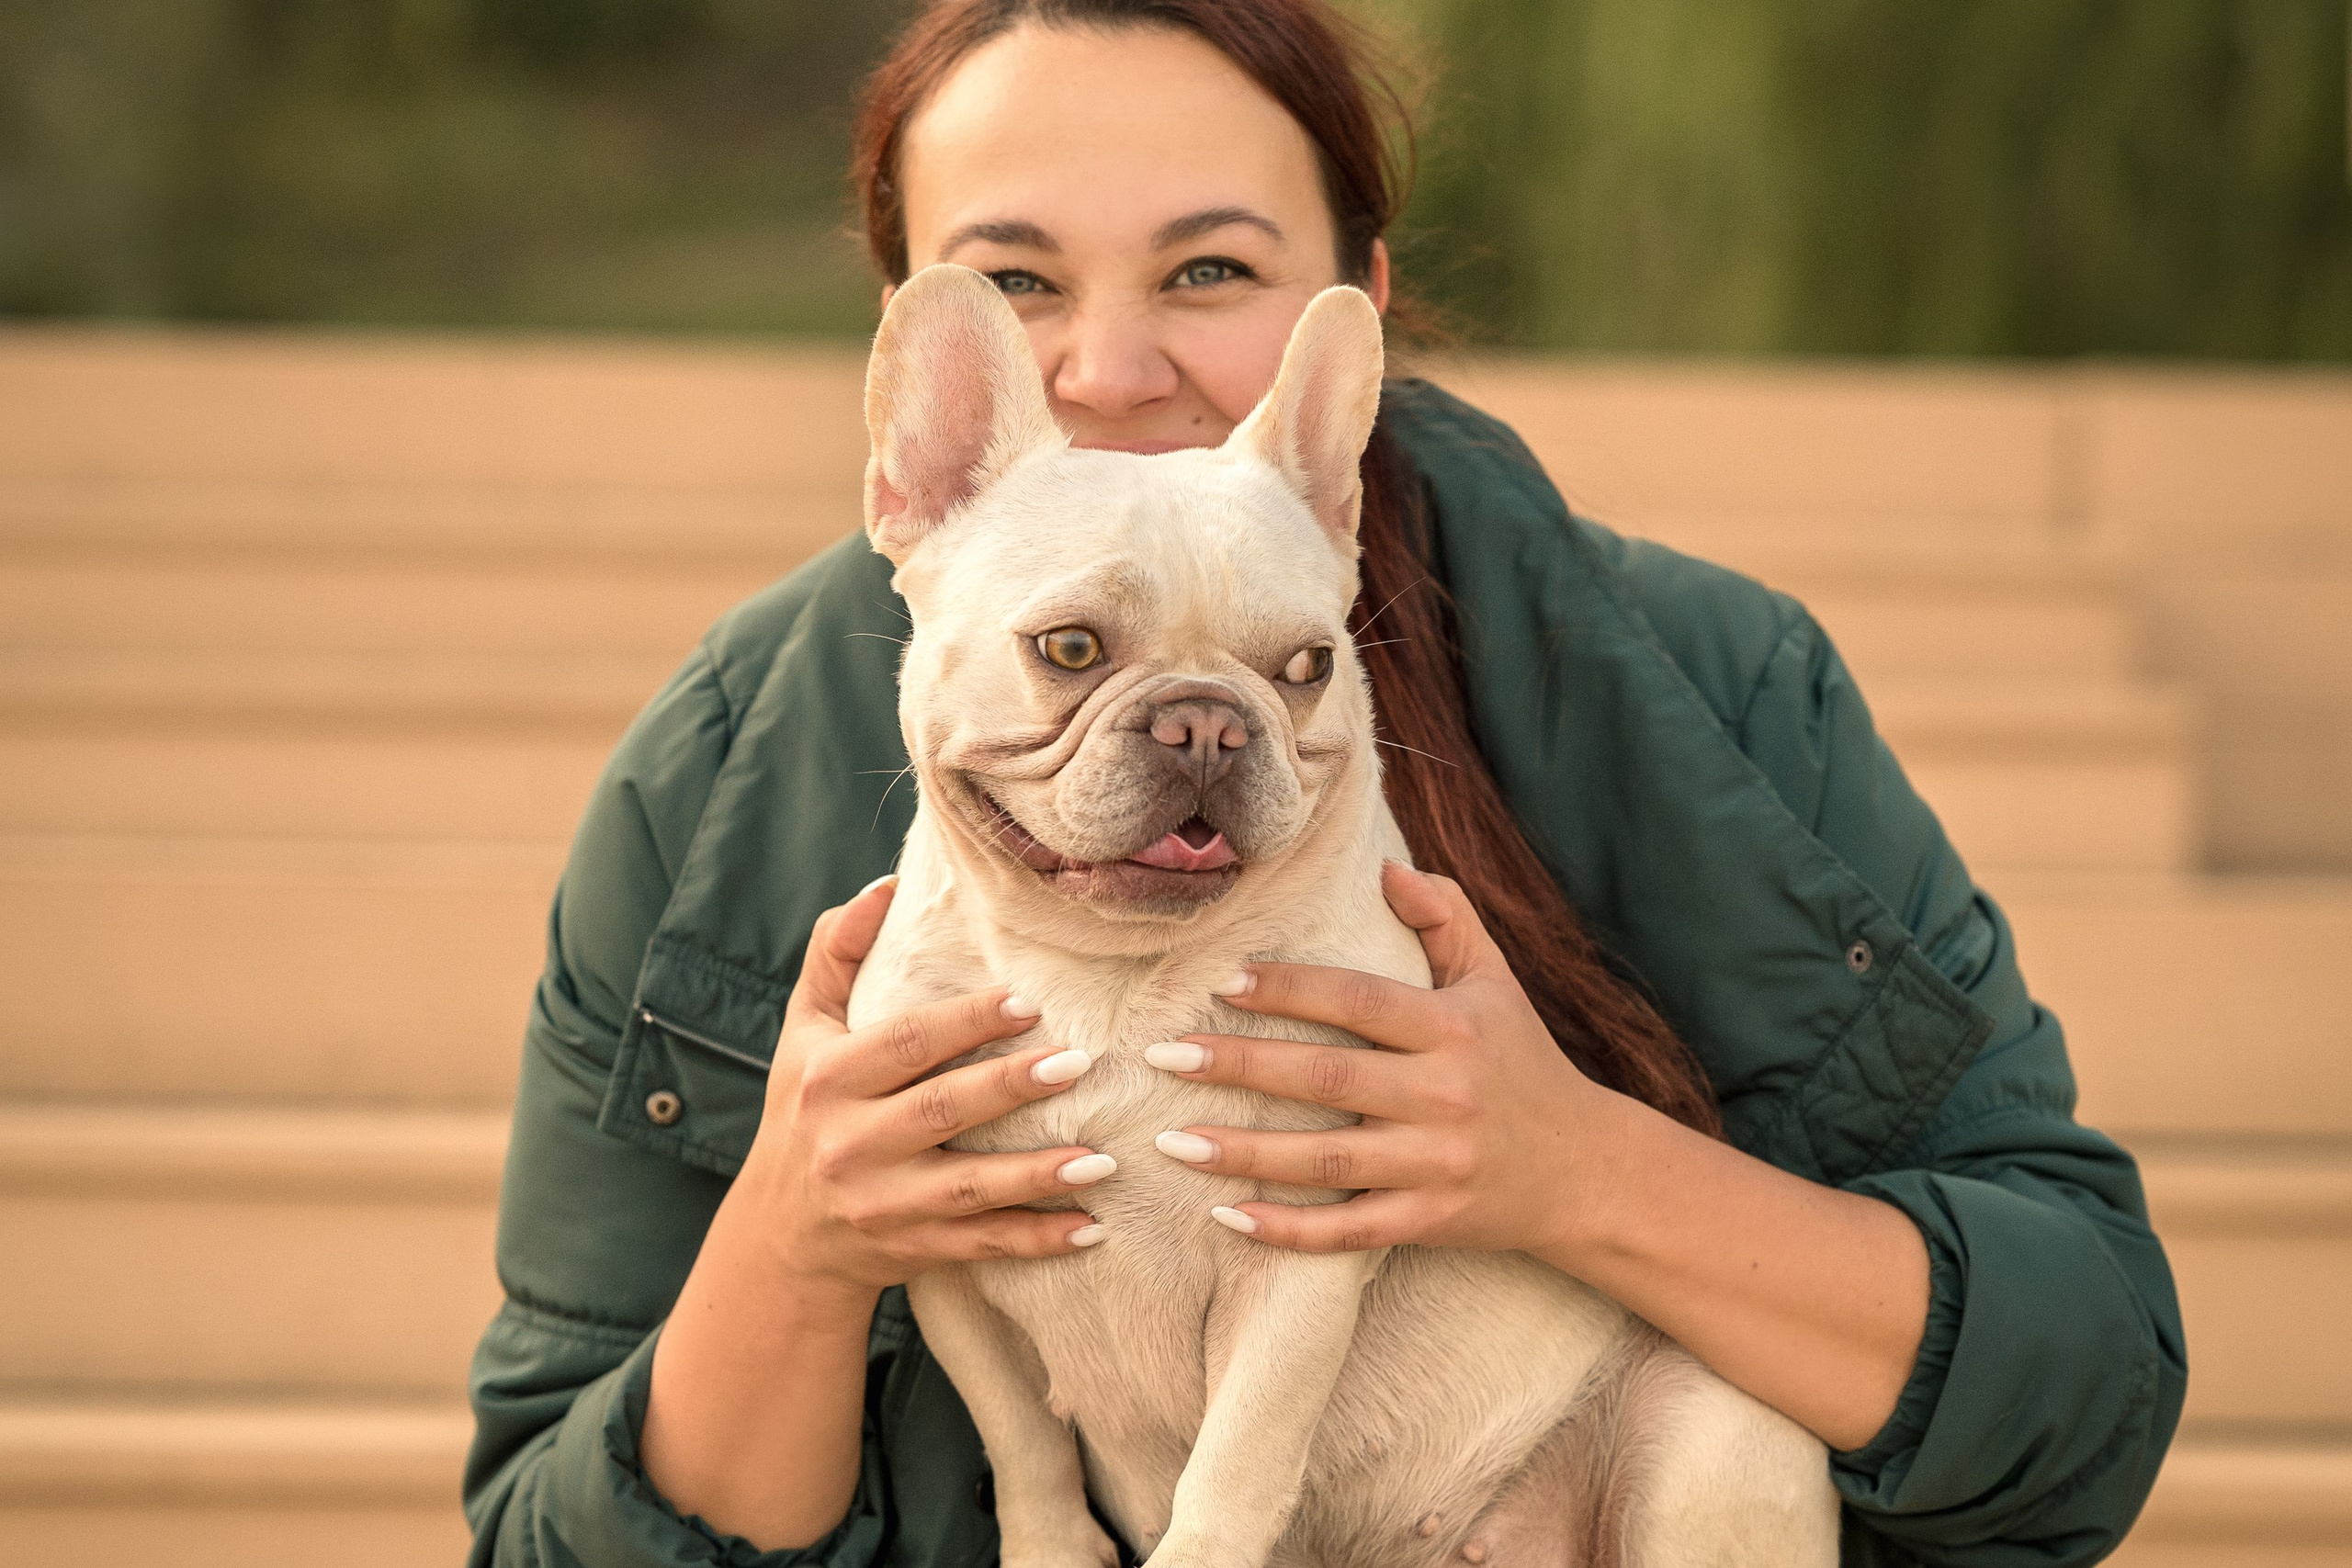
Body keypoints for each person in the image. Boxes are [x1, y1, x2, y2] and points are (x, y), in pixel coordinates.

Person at [462, 3, 2185, 1565]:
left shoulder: (1721, 685)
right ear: (916, 379)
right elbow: (547, 1532)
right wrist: (796, 1247)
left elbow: (2083, 1367)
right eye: (1015, 286)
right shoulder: (716, 774)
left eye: (1207, 272)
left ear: (1352, 297)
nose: (1111, 368)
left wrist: (1575, 1171)